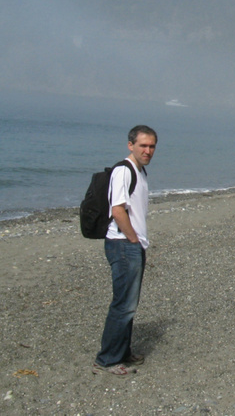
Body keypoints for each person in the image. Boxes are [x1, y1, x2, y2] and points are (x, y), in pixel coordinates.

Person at [93, 125, 157, 377]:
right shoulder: (123, 171)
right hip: (123, 244)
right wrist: (132, 240)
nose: (148, 150)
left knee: (130, 304)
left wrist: (138, 242)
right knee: (123, 305)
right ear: (130, 145)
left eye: (151, 146)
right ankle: (107, 360)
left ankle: (122, 352)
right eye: (143, 145)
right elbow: (117, 210)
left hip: (132, 244)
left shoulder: (141, 172)